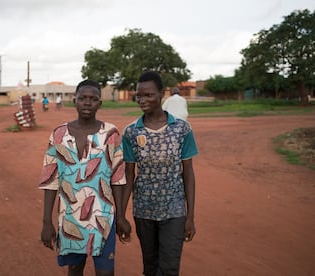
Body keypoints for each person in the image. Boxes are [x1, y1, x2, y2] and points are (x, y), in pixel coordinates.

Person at [39, 80, 127, 276]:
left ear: (99, 104)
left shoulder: (111, 134)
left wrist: (120, 216)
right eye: (83, 98)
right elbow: (50, 180)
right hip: (70, 219)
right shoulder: (59, 135)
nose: (88, 103)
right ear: (74, 101)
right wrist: (47, 222)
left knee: (106, 272)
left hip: (104, 219)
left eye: (94, 99)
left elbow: (118, 179)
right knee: (75, 270)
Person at [120, 71, 198, 276]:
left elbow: (188, 173)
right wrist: (121, 215)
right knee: (150, 266)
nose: (142, 100)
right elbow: (129, 175)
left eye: (148, 95)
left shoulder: (181, 129)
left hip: (174, 210)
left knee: (170, 267)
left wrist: (190, 215)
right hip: (143, 210)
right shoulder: (131, 132)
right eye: (139, 95)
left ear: (161, 94)